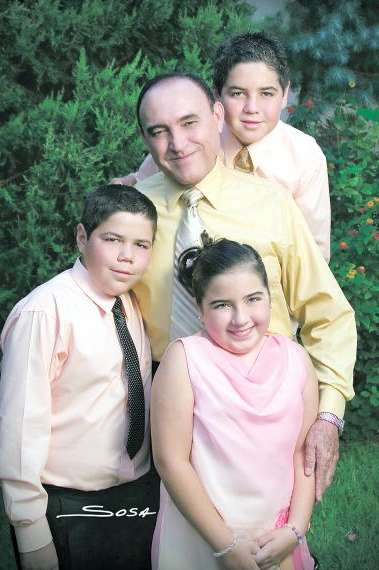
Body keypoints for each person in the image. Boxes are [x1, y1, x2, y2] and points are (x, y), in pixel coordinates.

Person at [133, 72, 356, 501]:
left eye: (189, 122)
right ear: (144, 137)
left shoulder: (271, 204)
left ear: (218, 114)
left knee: (271, 550)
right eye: (158, 132)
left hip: (267, 413)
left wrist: (328, 418)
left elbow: (328, 316)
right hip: (168, 412)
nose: (177, 144)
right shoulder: (134, 212)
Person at [0, 185, 159, 570]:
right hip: (62, 504)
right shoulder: (45, 311)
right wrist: (32, 530)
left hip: (132, 495)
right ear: (83, 238)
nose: (127, 257)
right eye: (113, 240)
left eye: (141, 245)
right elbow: (18, 426)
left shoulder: (131, 303)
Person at [151, 236, 319, 570]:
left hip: (274, 537)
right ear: (200, 309)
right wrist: (224, 544)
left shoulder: (296, 359)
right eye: (222, 305)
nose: (241, 318)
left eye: (253, 299)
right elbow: (171, 461)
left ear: (269, 297)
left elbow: (301, 452)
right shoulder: (184, 359)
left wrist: (295, 529)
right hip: (203, 537)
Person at [112, 31, 330, 261]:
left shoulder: (305, 156)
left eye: (267, 93)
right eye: (237, 93)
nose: (252, 108)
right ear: (217, 95)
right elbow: (144, 185)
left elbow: (314, 252)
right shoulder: (191, 143)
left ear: (285, 94)